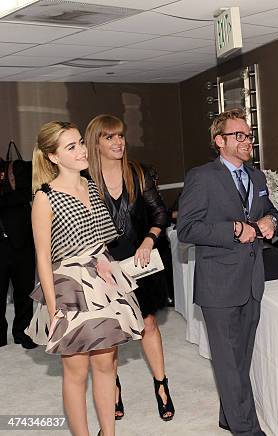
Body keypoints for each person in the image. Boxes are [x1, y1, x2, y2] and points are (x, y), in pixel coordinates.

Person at [26, 121, 144, 436]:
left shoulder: (90, 185)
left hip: (102, 280)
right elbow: (42, 259)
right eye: (71, 147)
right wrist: (53, 311)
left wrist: (109, 267)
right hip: (69, 289)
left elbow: (103, 238)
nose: (81, 151)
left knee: (106, 365)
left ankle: (109, 433)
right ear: (53, 157)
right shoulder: (45, 197)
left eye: (80, 143)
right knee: (76, 371)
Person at [177, 108, 278, 436]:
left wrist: (269, 222)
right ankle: (247, 429)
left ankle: (228, 415)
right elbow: (187, 229)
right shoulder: (202, 177)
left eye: (249, 135)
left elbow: (270, 210)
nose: (248, 140)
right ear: (219, 141)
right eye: (240, 135)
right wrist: (234, 229)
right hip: (218, 285)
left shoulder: (257, 177)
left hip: (251, 282)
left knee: (240, 359)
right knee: (228, 361)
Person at [84, 114, 174, 421]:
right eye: (109, 137)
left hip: (140, 262)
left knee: (147, 323)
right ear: (95, 143)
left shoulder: (139, 173)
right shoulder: (84, 180)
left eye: (120, 136)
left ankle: (162, 385)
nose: (118, 142)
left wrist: (150, 240)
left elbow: (160, 213)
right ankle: (114, 387)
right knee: (114, 330)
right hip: (104, 268)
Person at [0, 157, 37, 349]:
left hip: (22, 243)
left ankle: (24, 332)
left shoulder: (16, 167)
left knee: (24, 291)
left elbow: (25, 194)